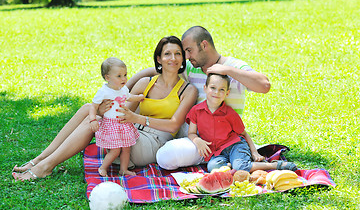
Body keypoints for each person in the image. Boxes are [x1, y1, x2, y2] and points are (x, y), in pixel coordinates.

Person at [12, 36, 198, 181]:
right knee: (90, 110)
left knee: (97, 122)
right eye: (167, 54)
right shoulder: (145, 83)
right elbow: (119, 112)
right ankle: (40, 159)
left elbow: (174, 126)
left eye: (177, 54)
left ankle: (45, 167)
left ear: (183, 58)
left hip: (152, 142)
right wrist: (103, 110)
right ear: (159, 58)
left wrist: (137, 119)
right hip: (130, 132)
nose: (172, 58)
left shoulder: (187, 90)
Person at [126, 26, 271, 170]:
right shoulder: (192, 67)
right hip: (191, 133)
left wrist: (227, 71)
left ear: (204, 45)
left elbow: (264, 86)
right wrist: (123, 90)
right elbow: (158, 71)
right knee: (140, 97)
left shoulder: (234, 66)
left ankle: (228, 158)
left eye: (189, 50)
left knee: (166, 156)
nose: (187, 57)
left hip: (217, 139)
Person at [187, 73, 297, 172]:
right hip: (216, 152)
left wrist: (254, 152)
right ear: (205, 88)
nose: (216, 92)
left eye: (222, 90)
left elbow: (244, 134)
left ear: (227, 93)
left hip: (235, 145)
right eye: (213, 88)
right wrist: (197, 140)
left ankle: (274, 166)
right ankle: (235, 165)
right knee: (213, 168)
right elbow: (191, 133)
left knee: (240, 168)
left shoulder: (229, 113)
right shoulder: (196, 111)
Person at [90, 57, 145, 176]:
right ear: (107, 78)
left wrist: (139, 97)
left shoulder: (123, 89)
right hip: (111, 124)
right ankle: (103, 167)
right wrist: (93, 119)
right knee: (115, 150)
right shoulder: (104, 91)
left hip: (123, 123)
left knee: (126, 148)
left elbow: (129, 97)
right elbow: (93, 106)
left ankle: (123, 169)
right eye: (119, 76)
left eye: (125, 75)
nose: (124, 78)